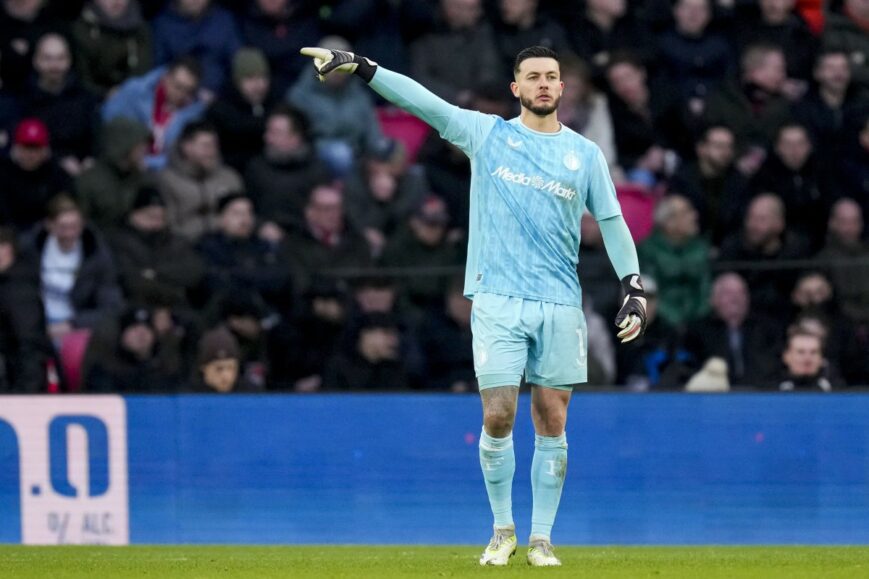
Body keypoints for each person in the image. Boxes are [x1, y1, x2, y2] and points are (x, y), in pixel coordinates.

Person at [301, 43, 646, 566]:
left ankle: (541, 539)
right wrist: (365, 68)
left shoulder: (585, 154)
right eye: (533, 77)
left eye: (552, 76)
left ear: (562, 87)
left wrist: (633, 286)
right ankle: (502, 528)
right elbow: (425, 104)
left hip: (559, 301)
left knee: (552, 418)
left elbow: (614, 221)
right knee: (500, 413)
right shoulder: (489, 135)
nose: (545, 84)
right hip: (497, 299)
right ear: (516, 88)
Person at [102, 56, 206, 169]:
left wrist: (150, 163)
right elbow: (108, 125)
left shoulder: (194, 113)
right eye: (178, 87)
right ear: (165, 77)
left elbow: (179, 156)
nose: (181, 95)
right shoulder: (135, 91)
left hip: (163, 171)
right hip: (123, 161)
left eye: (188, 91)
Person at [157, 120, 244, 242]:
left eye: (214, 146)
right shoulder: (167, 180)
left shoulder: (229, 177)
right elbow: (169, 226)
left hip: (230, 244)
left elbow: (244, 215)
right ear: (186, 147)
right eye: (206, 146)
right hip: (186, 247)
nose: (211, 152)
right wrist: (216, 224)